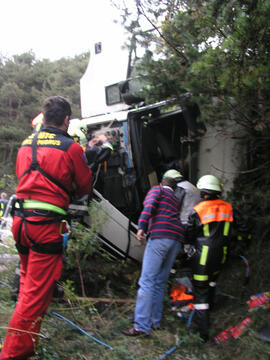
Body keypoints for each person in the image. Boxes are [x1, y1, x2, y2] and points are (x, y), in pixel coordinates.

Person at [0, 96, 92, 360]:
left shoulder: (25, 144)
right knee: (34, 297)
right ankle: (12, 355)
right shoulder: (71, 148)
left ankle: (26, 349)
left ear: (43, 116)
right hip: (46, 227)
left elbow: (24, 178)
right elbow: (85, 186)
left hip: (21, 225)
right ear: (66, 120)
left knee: (30, 289)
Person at [122, 177, 185, 336]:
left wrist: (141, 227)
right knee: (160, 282)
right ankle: (155, 322)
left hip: (160, 236)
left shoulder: (157, 190)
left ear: (161, 184)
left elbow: (149, 206)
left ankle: (141, 326)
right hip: (176, 239)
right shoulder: (174, 199)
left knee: (147, 281)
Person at [185, 175, 234, 342]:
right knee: (212, 281)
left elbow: (189, 234)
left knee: (200, 292)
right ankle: (211, 308)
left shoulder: (199, 210)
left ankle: (202, 333)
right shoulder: (229, 207)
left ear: (204, 192)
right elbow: (241, 227)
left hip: (203, 258)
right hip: (222, 255)